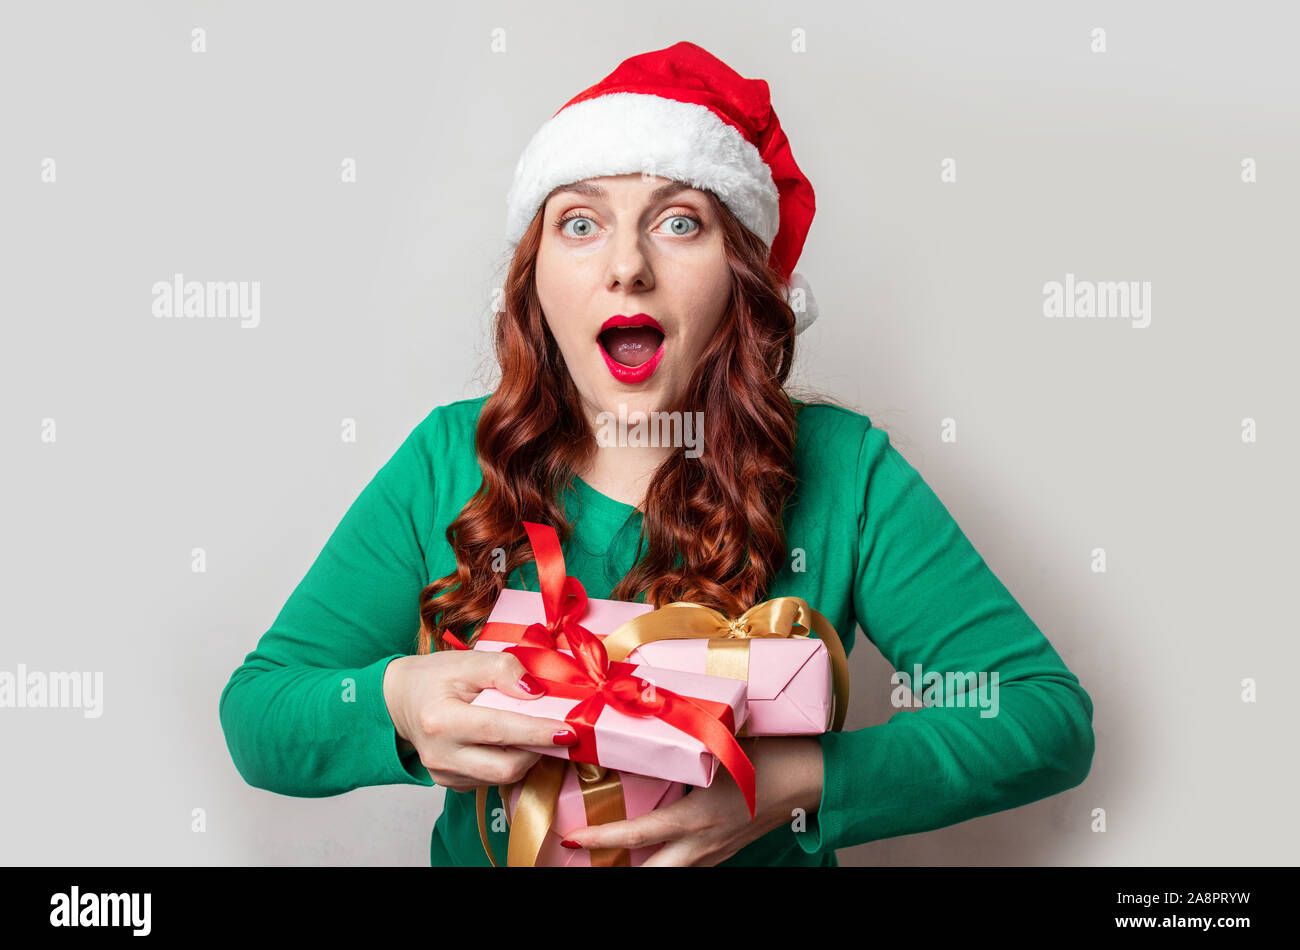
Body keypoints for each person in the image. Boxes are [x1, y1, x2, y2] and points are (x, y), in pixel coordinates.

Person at [218, 41, 1095, 867]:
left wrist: (786, 787)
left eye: (679, 223)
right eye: (580, 224)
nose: (627, 266)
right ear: (535, 282)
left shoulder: (846, 470)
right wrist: (400, 705)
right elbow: (259, 713)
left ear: (741, 281)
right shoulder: (449, 455)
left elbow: (1042, 716)